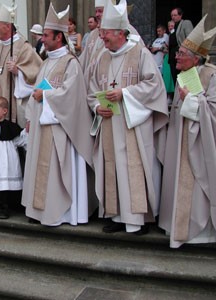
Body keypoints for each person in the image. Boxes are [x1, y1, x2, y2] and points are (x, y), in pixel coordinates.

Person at [85, 0, 169, 235]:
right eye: (101, 34)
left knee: (132, 167)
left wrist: (125, 93)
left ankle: (137, 219)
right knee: (112, 168)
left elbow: (154, 84)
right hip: (109, 123)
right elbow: (91, 90)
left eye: (107, 34)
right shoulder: (102, 58)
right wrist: (96, 107)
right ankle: (116, 215)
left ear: (121, 33)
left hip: (133, 124)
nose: (103, 39)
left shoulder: (139, 53)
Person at [22, 3, 95, 226]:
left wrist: (44, 97)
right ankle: (41, 211)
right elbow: (38, 89)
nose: (42, 39)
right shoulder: (46, 62)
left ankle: (63, 213)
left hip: (60, 127)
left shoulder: (71, 63)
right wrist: (29, 116)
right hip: (43, 124)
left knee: (58, 171)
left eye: (46, 35)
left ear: (59, 38)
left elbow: (71, 96)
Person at [159, 15, 216, 248]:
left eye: (181, 54)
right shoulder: (183, 75)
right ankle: (178, 225)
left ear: (195, 58)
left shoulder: (211, 75)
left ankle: (199, 230)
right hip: (181, 139)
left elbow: (212, 109)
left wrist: (191, 100)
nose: (176, 56)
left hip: (201, 143)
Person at [0, 3, 42, 128]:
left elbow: (38, 73)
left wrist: (19, 72)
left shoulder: (23, 46)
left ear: (8, 26)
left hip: (13, 106)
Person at [168, 7, 193, 86]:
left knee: (182, 78)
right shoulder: (173, 26)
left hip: (181, 54)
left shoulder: (185, 23)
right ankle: (177, 96)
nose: (173, 17)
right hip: (173, 56)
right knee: (175, 79)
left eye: (175, 15)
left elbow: (190, 38)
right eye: (172, 15)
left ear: (180, 15)